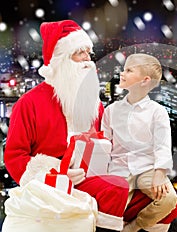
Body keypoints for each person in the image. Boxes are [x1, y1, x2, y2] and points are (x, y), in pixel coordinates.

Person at [4, 19, 128, 232]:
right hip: (50, 185)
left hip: (91, 176)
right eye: (79, 53)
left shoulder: (94, 104)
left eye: (88, 53)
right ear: (61, 60)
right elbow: (15, 156)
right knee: (116, 189)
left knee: (153, 198)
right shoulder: (29, 103)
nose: (87, 61)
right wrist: (53, 173)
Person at [101, 53, 177, 232]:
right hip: (118, 168)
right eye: (124, 69)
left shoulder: (157, 112)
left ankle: (134, 227)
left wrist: (160, 173)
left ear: (144, 81)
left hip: (146, 168)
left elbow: (162, 145)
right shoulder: (111, 110)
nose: (122, 73)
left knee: (168, 199)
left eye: (128, 70)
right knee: (112, 208)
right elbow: (104, 144)